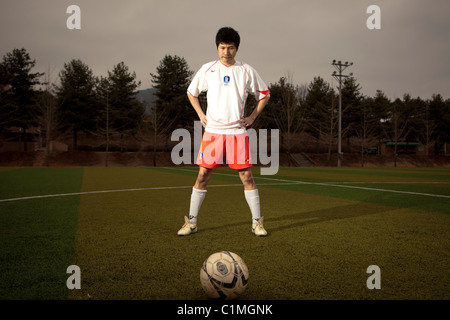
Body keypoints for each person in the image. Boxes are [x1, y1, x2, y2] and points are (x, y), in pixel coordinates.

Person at [177, 27, 270, 237]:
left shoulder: (246, 70)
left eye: (230, 48)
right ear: (217, 47)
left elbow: (264, 94)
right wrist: (201, 114)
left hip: (237, 132)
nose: (226, 52)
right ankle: (191, 222)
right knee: (202, 176)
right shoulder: (207, 69)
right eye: (222, 47)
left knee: (246, 176)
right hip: (213, 132)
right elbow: (192, 93)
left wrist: (252, 117)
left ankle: (257, 223)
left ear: (237, 49)